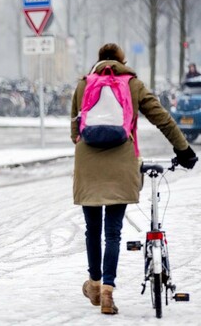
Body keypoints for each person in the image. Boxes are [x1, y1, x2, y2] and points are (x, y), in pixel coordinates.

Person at [71, 43, 197, 315]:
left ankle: (93, 283)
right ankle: (107, 292)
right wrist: (183, 149)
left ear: (98, 60)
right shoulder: (133, 84)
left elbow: (75, 128)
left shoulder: (84, 84)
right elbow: (161, 118)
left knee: (92, 228)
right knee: (113, 231)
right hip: (121, 161)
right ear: (122, 61)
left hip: (88, 163)